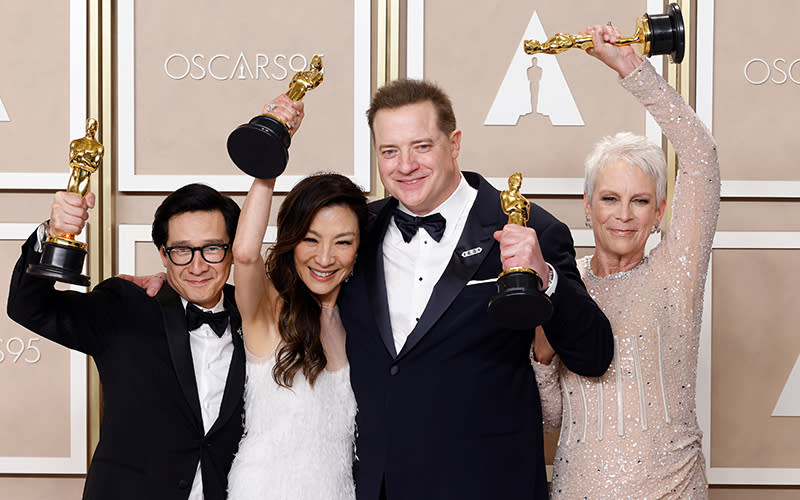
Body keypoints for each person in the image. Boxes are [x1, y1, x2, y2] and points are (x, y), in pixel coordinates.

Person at [336, 75, 615, 498]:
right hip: (377, 485)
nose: (405, 165)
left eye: (422, 146)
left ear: (455, 143)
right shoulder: (355, 229)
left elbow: (594, 355)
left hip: (487, 483)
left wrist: (547, 278)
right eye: (389, 151)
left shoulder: (527, 226)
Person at [531, 24, 719, 499]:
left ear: (658, 212)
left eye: (639, 201)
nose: (623, 215)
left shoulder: (674, 272)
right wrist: (541, 356)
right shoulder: (560, 285)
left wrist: (631, 68)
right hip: (579, 490)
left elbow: (702, 160)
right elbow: (549, 420)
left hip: (672, 490)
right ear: (588, 204)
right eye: (610, 198)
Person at [7, 183, 245, 500]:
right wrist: (54, 234)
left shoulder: (261, 317)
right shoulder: (125, 305)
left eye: (212, 248)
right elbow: (29, 307)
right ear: (163, 254)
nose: (197, 266)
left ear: (233, 251)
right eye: (182, 251)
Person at [225, 94, 368, 499]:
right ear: (290, 241)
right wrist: (269, 162)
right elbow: (246, 253)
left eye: (342, 242)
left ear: (358, 249)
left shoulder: (359, 319)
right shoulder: (268, 312)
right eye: (310, 239)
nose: (324, 258)